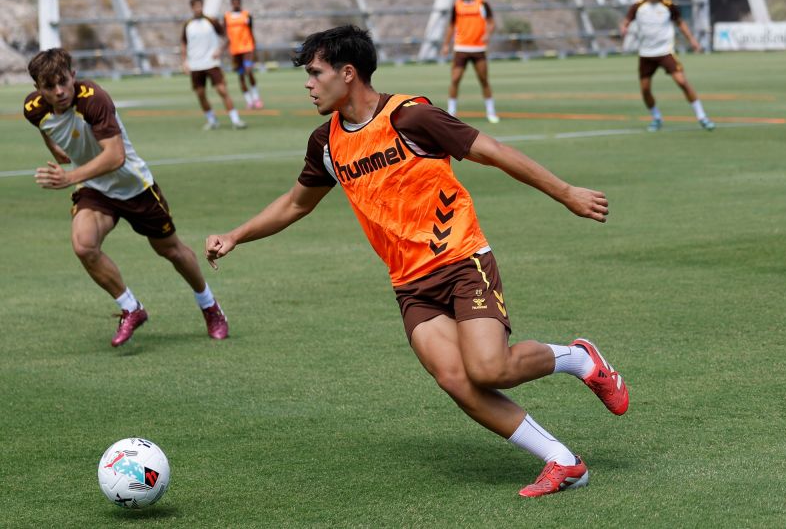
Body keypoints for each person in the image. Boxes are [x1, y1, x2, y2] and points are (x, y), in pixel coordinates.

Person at [205, 26, 628, 498]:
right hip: (410, 284)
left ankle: (579, 358)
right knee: (455, 379)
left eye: (315, 73)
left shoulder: (411, 117)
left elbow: (495, 152)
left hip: (462, 260)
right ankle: (563, 461)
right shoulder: (325, 143)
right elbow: (294, 204)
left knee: (489, 370)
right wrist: (236, 235)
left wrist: (567, 193)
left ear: (348, 73)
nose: (308, 84)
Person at [24, 48, 229, 347]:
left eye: (63, 82)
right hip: (94, 189)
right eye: (49, 86)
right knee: (84, 245)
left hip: (134, 186)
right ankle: (131, 308)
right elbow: (44, 127)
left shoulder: (93, 99)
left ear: (73, 76)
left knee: (171, 250)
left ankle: (209, 305)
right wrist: (55, 149)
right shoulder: (34, 109)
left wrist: (69, 176)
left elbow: (115, 156)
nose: (59, 91)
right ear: (38, 88)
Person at [620, 0, 715, 131]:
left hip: (665, 52)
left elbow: (680, 23)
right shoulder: (638, 6)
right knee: (645, 89)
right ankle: (656, 118)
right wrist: (624, 27)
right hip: (646, 54)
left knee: (682, 82)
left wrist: (692, 40)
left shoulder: (669, 5)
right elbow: (626, 21)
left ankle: (702, 117)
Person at [181, 0, 247, 130]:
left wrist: (219, 50)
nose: (198, 9)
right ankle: (212, 120)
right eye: (195, 6)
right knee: (200, 94)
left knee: (222, 90)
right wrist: (184, 61)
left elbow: (227, 38)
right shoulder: (188, 24)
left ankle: (235, 120)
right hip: (195, 65)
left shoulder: (211, 21)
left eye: (200, 6)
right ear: (192, 8)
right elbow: (183, 43)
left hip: (211, 63)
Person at [440, 0, 499, 123]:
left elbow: (491, 22)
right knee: (455, 79)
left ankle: (491, 112)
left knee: (483, 80)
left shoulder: (482, 3)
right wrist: (446, 44)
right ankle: (451, 112)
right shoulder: (457, 5)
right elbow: (451, 25)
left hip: (478, 49)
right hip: (461, 48)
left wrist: (488, 34)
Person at [223, 0, 263, 109]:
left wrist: (254, 47)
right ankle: (249, 101)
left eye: (237, 2)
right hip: (235, 50)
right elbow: (225, 34)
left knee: (248, 71)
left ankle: (256, 98)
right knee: (240, 75)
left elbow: (251, 30)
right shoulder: (227, 17)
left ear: (240, 2)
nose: (236, 4)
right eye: (234, 2)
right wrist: (226, 48)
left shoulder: (246, 15)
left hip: (247, 48)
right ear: (231, 3)